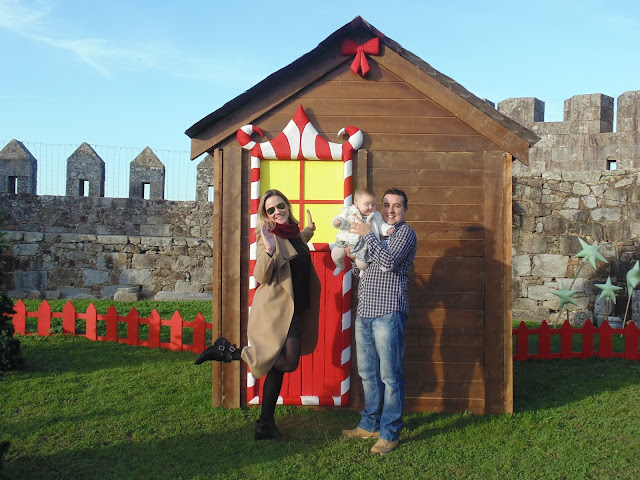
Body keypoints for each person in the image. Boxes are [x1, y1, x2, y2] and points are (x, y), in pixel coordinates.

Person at [194, 189, 320, 441]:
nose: (277, 212)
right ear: (266, 215)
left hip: (293, 309)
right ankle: (229, 352)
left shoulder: (294, 233)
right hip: (276, 311)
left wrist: (310, 230)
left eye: (280, 206)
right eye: (270, 210)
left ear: (287, 206)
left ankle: (265, 424)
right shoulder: (268, 236)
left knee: (278, 367)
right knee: (288, 363)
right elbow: (260, 275)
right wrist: (270, 250)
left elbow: (298, 245)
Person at [341, 188, 417, 455]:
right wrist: (354, 258)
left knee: (390, 376)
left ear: (405, 210)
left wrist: (367, 235)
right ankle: (369, 425)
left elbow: (387, 262)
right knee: (368, 374)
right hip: (366, 312)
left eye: (397, 206)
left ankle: (389, 433)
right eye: (386, 205)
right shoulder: (377, 230)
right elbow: (365, 270)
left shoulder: (405, 233)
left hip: (389, 312)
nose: (390, 210)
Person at [330, 188, 393, 277]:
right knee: (336, 254)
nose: (371, 207)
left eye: (373, 205)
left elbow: (381, 225)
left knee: (362, 264)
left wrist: (387, 229)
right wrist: (338, 221)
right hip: (346, 239)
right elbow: (342, 218)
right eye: (367, 204)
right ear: (357, 204)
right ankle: (340, 265)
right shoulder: (350, 211)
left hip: (363, 245)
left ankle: (362, 271)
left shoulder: (375, 216)